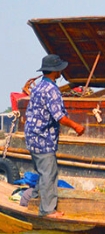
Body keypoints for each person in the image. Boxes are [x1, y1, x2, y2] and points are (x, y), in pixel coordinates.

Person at [24, 54, 86, 218]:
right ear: (55, 71)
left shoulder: (38, 87)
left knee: (42, 171)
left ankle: (33, 200)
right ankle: (47, 211)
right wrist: (76, 126)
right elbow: (59, 116)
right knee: (49, 174)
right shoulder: (51, 90)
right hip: (43, 138)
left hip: (32, 136)